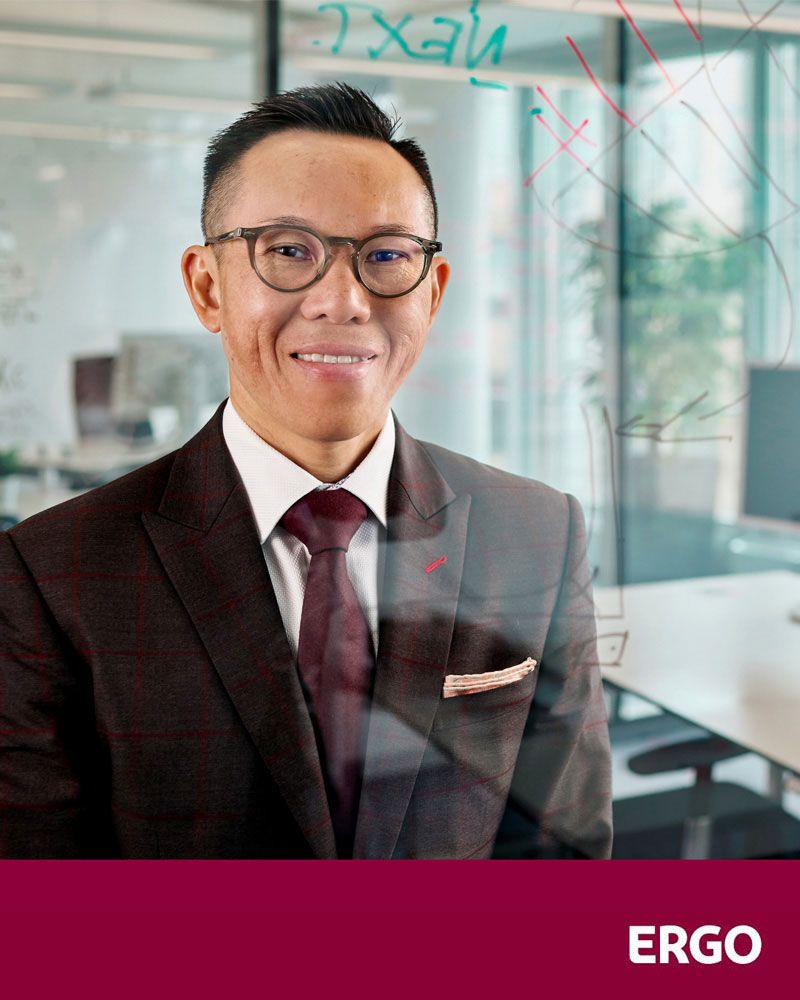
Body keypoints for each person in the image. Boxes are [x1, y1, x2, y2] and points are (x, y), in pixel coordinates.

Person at [0, 83, 612, 859]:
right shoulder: (51, 573)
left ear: (432, 294)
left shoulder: (537, 533)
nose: (344, 301)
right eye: (289, 251)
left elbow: (563, 855)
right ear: (207, 287)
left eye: (387, 255)